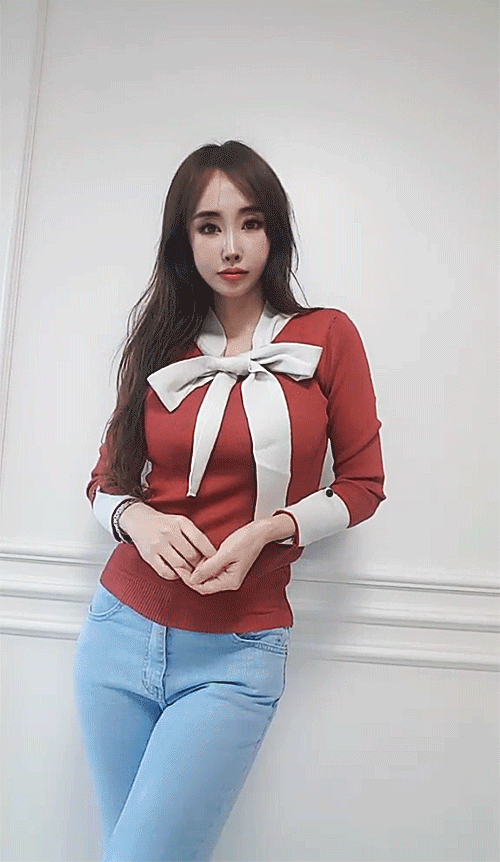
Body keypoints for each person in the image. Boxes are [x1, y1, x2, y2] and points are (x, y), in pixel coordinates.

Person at [73, 139, 386, 862]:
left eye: (250, 222)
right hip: (120, 631)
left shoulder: (326, 336)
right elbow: (105, 481)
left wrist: (270, 530)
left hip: (236, 653)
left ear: (274, 230)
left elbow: (363, 486)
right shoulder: (161, 343)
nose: (232, 246)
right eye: (209, 226)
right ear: (184, 241)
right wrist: (137, 518)